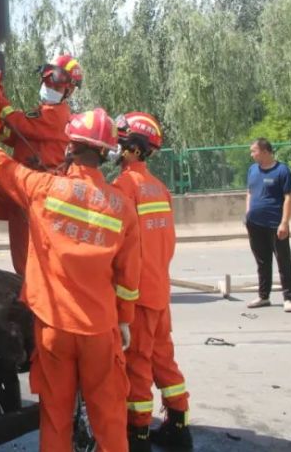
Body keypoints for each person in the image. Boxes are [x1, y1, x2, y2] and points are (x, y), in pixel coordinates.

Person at [0, 106, 140, 452]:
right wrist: (125, 320)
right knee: (109, 419)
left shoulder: (44, 188)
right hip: (100, 331)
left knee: (55, 415)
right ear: (105, 153)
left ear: (70, 147)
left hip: (54, 328)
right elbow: (129, 277)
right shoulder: (122, 207)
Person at [111, 112, 192, 451]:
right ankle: (179, 426)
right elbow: (167, 243)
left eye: (120, 141)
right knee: (164, 359)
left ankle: (139, 435)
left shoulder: (122, 187)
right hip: (159, 289)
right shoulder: (159, 189)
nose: (115, 147)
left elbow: (120, 247)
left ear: (135, 148)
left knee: (138, 366)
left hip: (138, 295)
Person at [0, 54, 82, 274]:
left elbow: (17, 123)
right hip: (27, 188)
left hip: (35, 191)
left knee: (26, 254)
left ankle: (30, 295)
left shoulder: (55, 115)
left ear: (68, 90)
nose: (48, 86)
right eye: (47, 80)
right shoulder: (45, 114)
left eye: (55, 83)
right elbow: (15, 135)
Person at [245, 137, 291, 312]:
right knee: (262, 261)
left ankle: (289, 298)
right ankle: (263, 296)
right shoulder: (252, 170)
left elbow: (289, 197)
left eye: (254, 151)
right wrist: (248, 214)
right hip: (255, 224)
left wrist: (284, 223)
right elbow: (250, 192)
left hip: (275, 224)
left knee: (283, 261)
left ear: (265, 152)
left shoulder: (282, 171)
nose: (252, 154)